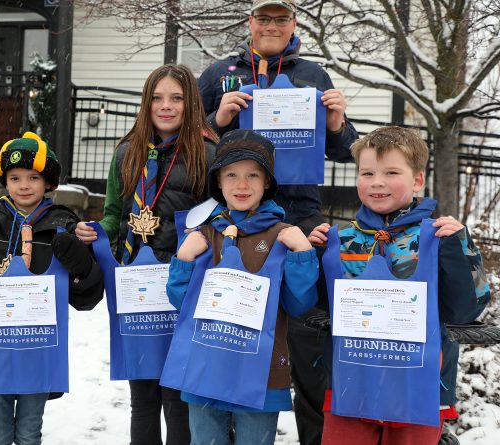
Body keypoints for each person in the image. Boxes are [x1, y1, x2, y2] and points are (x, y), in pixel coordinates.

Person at [197, 2, 360, 442]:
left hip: (301, 219)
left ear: (294, 24)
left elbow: (349, 150)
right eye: (263, 18)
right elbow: (187, 149)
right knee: (232, 326)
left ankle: (314, 436)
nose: (271, 26)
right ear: (249, 23)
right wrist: (218, 119)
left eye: (280, 18)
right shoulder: (218, 74)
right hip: (237, 222)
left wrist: (338, 122)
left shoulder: (313, 75)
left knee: (307, 338)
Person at [308, 126, 490, 445]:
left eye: (391, 172)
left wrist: (461, 250)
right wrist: (314, 257)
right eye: (367, 173)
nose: (377, 182)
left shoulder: (438, 238)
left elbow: (466, 308)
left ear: (417, 180)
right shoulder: (342, 239)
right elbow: (318, 302)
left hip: (418, 387)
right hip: (351, 385)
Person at [75, 63, 218, 445]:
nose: (166, 106)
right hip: (135, 285)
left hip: (180, 286)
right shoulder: (126, 151)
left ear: (191, 104)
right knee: (142, 397)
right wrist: (94, 233)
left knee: (176, 395)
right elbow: (113, 213)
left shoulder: (207, 153)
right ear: (146, 102)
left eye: (176, 98)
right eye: (157, 98)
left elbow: (216, 219)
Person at [0, 132, 103, 445]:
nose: (24, 185)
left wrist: (82, 265)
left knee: (29, 434)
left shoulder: (64, 227)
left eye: (33, 177)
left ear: (48, 183)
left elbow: (86, 298)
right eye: (14, 177)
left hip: (38, 352)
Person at [164, 129, 319, 445]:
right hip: (206, 364)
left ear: (267, 183)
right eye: (231, 174)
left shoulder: (283, 236)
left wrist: (303, 255)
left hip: (260, 373)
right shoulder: (204, 236)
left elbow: (298, 304)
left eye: (253, 175)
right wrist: (183, 259)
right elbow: (182, 302)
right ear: (218, 183)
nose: (242, 184)